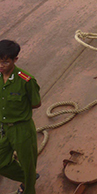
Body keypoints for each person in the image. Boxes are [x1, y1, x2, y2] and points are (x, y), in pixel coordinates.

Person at [0, 40, 41, 194]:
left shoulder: (25, 80)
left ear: (15, 60)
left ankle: (29, 188)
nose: (1, 65)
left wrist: (19, 111)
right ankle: (27, 178)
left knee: (28, 164)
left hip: (22, 129)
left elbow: (36, 103)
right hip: (4, 129)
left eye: (5, 62)